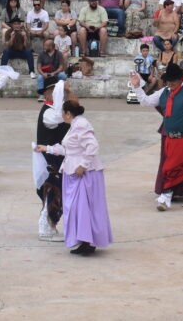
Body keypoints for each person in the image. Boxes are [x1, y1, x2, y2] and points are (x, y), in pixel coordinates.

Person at [130, 63, 183, 211]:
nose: (170, 83)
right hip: (170, 138)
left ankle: (165, 198)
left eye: (173, 80)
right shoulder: (164, 92)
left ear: (181, 79)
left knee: (171, 168)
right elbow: (145, 101)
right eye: (168, 80)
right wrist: (137, 87)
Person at [34, 100, 113, 255]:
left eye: (62, 113)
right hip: (75, 172)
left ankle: (89, 242)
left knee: (83, 208)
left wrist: (83, 165)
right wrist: (47, 148)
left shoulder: (81, 124)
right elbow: (69, 149)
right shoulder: (75, 125)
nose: (61, 116)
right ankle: (84, 241)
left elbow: (92, 146)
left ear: (68, 113)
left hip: (86, 174)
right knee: (77, 209)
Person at [34, 79, 68, 240]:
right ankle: (46, 228)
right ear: (49, 93)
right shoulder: (49, 112)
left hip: (57, 158)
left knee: (57, 192)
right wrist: (60, 88)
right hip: (51, 160)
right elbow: (59, 117)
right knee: (52, 192)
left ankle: (50, 226)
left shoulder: (54, 110)